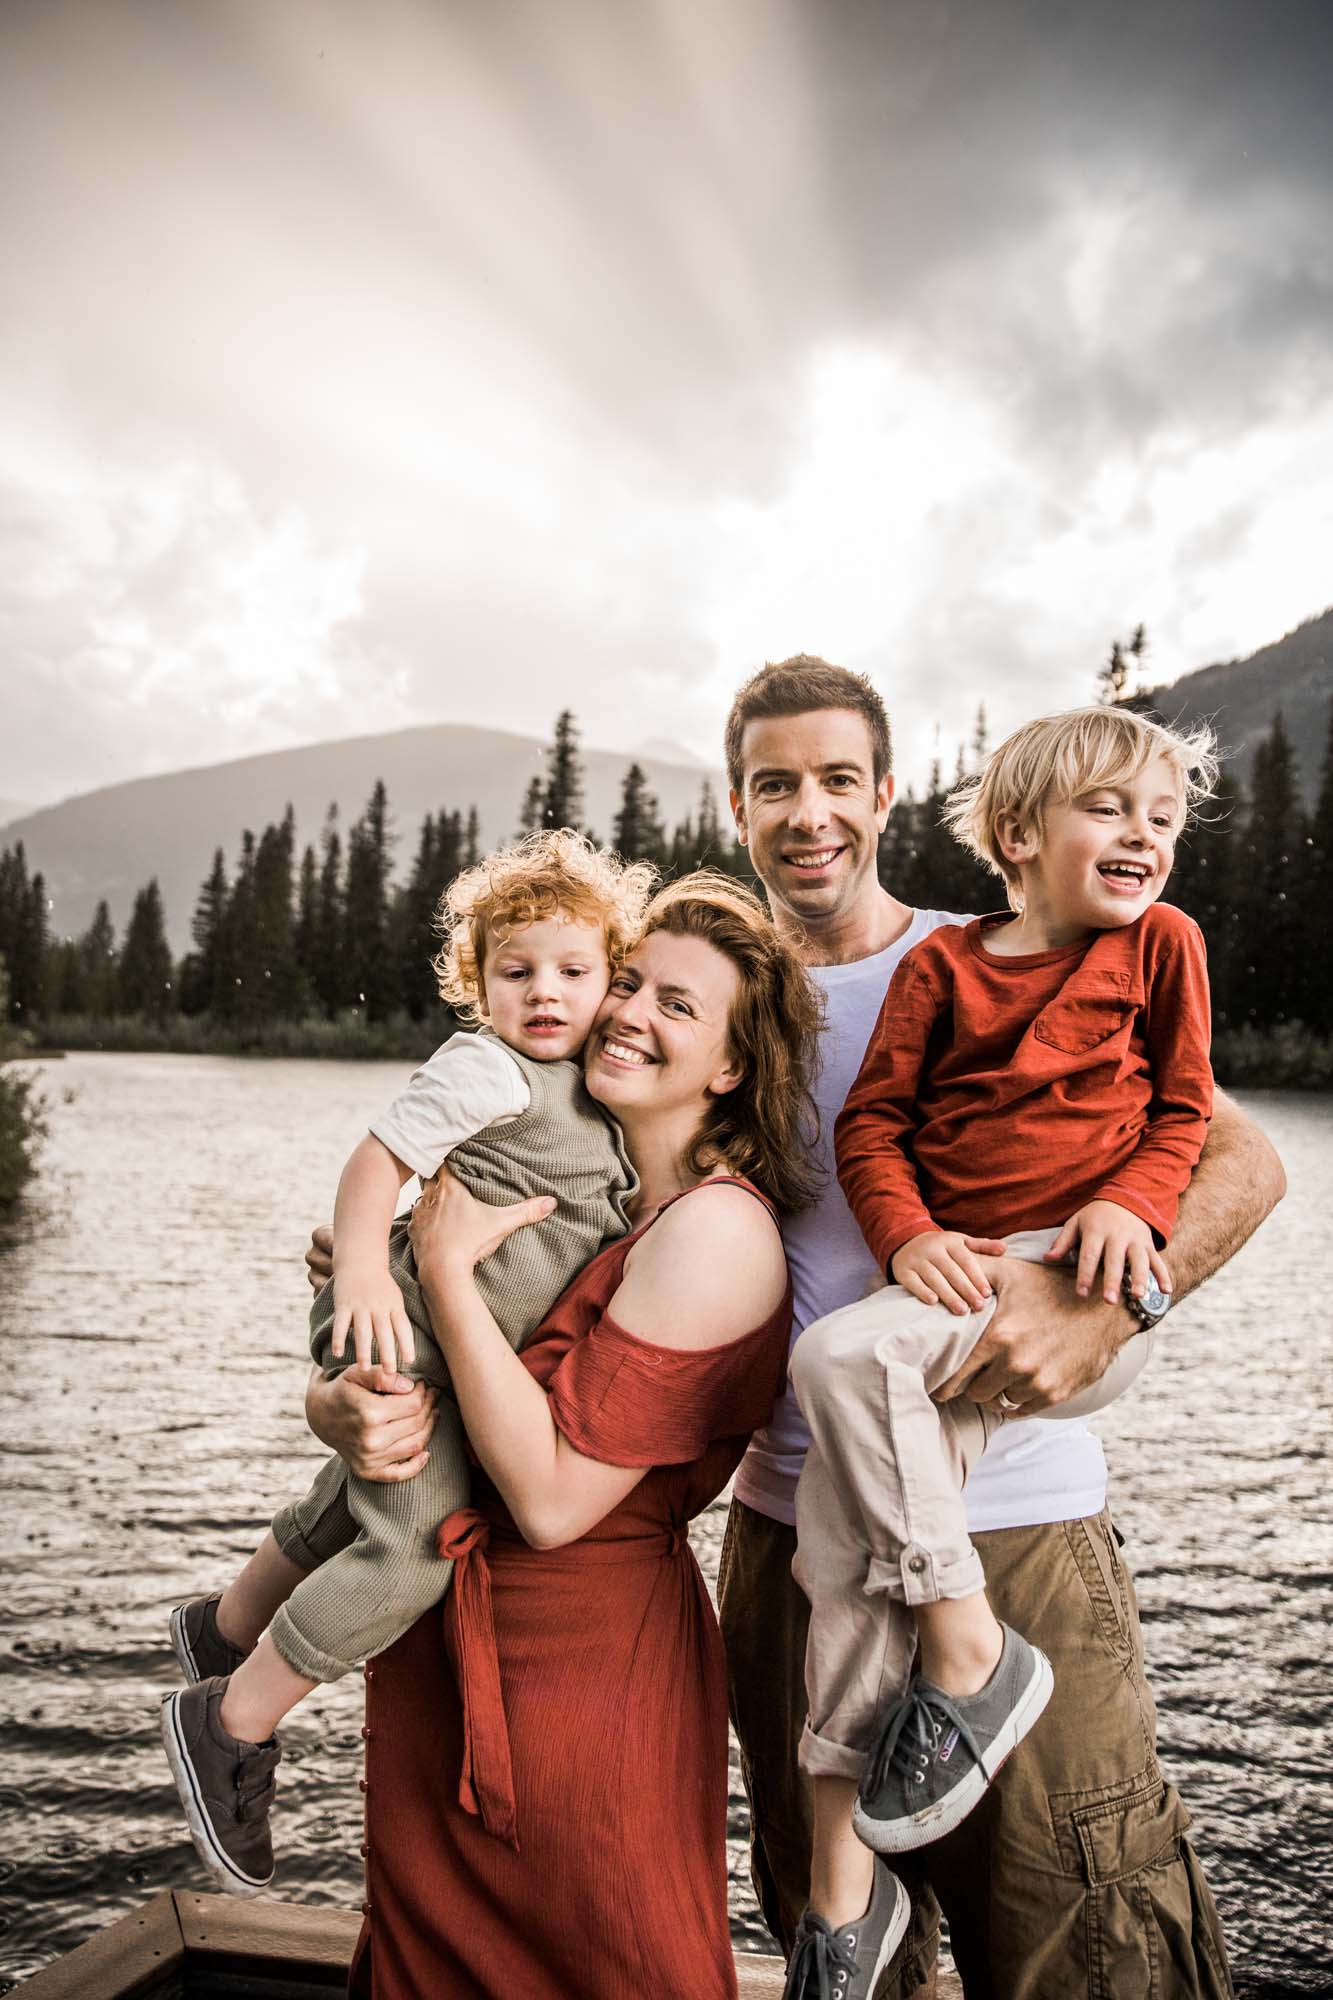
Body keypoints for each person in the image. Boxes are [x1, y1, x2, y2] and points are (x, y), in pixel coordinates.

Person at [713, 657, 1283, 2000]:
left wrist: (1105, 1306)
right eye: (773, 785)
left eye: (838, 780)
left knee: (1082, 1940)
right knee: (839, 1932)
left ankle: (979, 1659)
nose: (808, 814)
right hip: (789, 1527)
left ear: (886, 794)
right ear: (735, 806)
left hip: (1016, 1523)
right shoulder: (704, 1000)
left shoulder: (1013, 952)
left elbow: (1237, 1158)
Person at [306, 872, 826, 2000]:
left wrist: (442, 1265)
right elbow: (411, 1368)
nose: (630, 1010)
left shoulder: (717, 1230)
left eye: (678, 1005)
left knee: (618, 1958)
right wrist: (343, 1411)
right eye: (629, 981)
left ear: (731, 1065)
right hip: (438, 1628)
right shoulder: (572, 1185)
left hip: (581, 1673)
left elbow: (547, 1497)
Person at [161, 829, 651, 1896]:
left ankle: (225, 1624)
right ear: (477, 983)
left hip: (437, 1344)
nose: (546, 993)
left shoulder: (602, 1101)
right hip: (394, 1328)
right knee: (418, 1545)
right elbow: (377, 1158)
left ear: (614, 974)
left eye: (573, 971)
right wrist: (364, 1283)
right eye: (515, 972)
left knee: (358, 1500)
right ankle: (230, 1719)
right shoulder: (486, 1066)